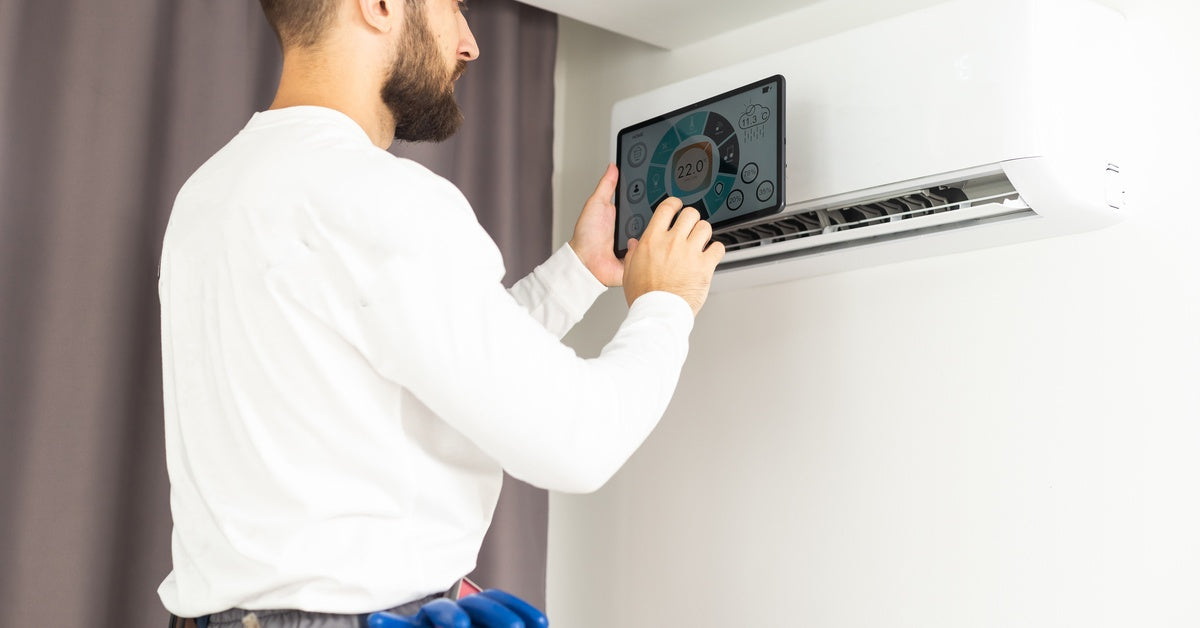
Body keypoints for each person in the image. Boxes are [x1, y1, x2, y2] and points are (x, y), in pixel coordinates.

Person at [157, 0, 724, 625]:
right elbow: (580, 442)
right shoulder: (381, 196)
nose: (469, 44)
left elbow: (430, 368)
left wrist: (578, 271)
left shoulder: (210, 193)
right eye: (453, 7)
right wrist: (668, 303)